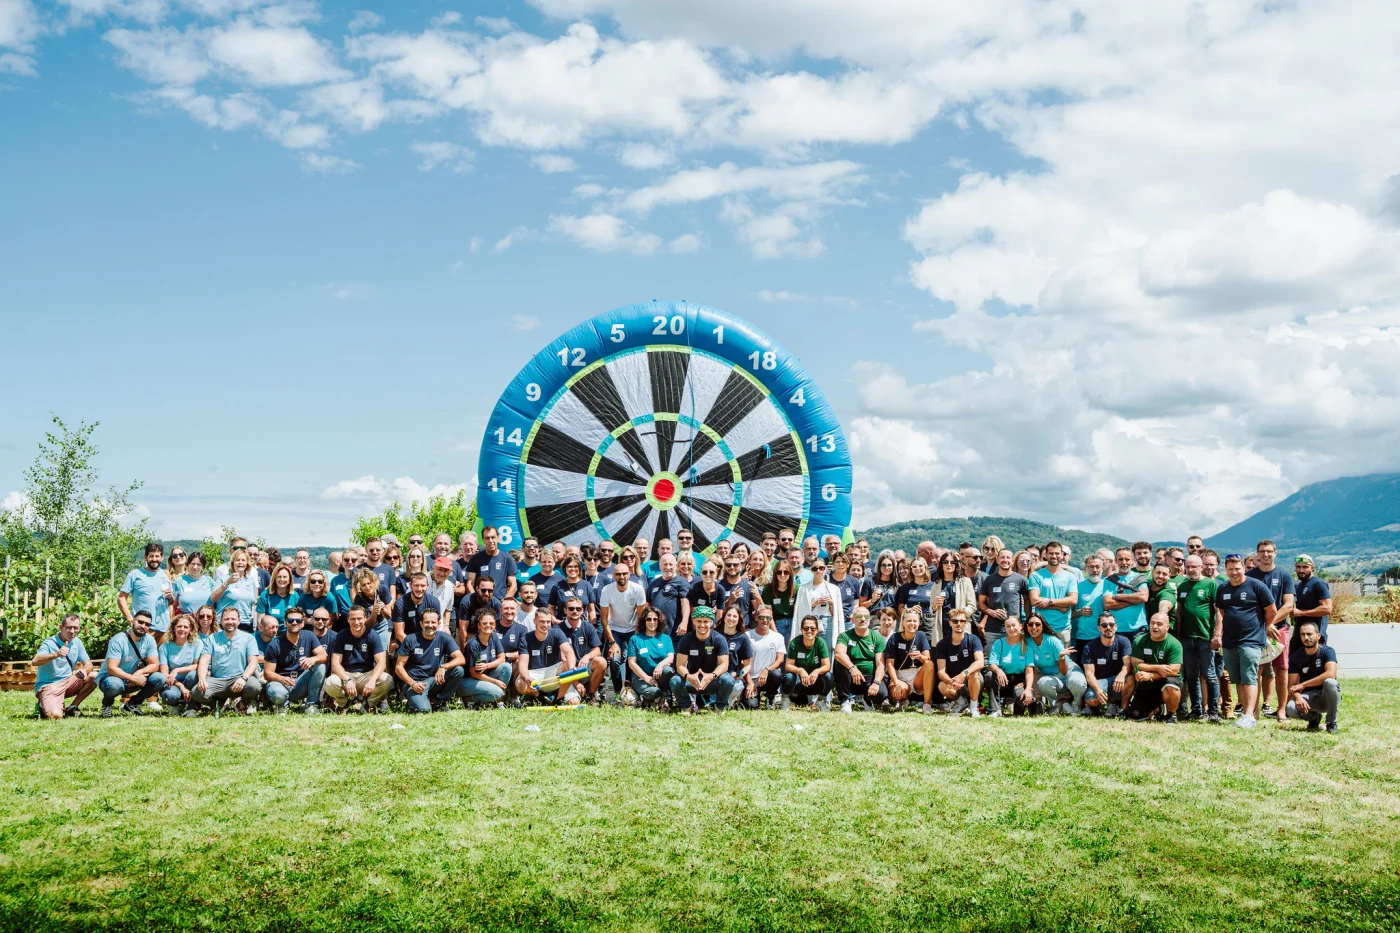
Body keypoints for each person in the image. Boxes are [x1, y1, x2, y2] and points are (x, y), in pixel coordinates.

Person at [1213, 554, 1279, 730]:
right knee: (1239, 679)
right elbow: (1221, 611)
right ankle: (1245, 713)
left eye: (1237, 569)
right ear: (1225, 571)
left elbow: (1271, 610)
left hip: (1251, 640)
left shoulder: (1256, 586)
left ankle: (1250, 715)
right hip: (1229, 642)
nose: (1234, 573)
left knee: (1250, 677)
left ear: (1243, 567)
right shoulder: (1223, 589)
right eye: (1230, 570)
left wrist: (1265, 626)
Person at [1248, 539, 1296, 721]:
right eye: (1262, 551)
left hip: (1279, 629)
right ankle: (1254, 711)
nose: (1265, 554)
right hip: (1256, 631)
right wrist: (1263, 626)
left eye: (1269, 551)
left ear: (1275, 553)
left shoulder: (1284, 575)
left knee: (1282, 670)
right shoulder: (1250, 576)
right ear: (1257, 554)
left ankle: (1281, 710)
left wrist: (1270, 624)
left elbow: (1288, 605)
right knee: (1256, 671)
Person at [1174, 555, 1221, 722]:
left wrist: (1217, 634)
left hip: (1205, 638)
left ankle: (1214, 711)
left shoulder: (1211, 584)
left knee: (1209, 675)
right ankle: (1196, 710)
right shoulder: (1183, 586)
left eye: (1195, 567)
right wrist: (1178, 636)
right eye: (1188, 567)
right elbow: (1179, 612)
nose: (1191, 570)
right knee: (1192, 676)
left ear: (1201, 567)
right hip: (1186, 638)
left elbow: (1218, 612)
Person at [190, 606, 263, 715]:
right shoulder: (212, 638)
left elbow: (253, 662)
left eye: (233, 619)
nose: (230, 622)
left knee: (254, 686)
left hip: (238, 678)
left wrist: (243, 678)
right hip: (217, 680)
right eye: (226, 619)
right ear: (221, 621)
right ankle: (218, 703)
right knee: (196, 692)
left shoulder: (248, 638)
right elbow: (204, 661)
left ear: (239, 621)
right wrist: (202, 679)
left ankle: (242, 703)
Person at [323, 606, 394, 714]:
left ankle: (369, 704)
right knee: (330, 682)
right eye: (352, 619)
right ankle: (343, 704)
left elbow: (381, 662)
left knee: (387, 679)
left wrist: (372, 680)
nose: (356, 622)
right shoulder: (342, 635)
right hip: (347, 675)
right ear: (347, 620)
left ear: (365, 618)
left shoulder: (372, 635)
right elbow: (335, 663)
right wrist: (346, 680)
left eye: (359, 618)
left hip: (366, 675)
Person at [394, 608, 465, 713]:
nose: (430, 625)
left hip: (434, 680)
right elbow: (398, 667)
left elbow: (461, 659)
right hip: (416, 683)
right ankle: (413, 702)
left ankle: (440, 702)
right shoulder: (410, 639)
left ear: (439, 623)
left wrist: (443, 667)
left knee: (458, 670)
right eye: (427, 622)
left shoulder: (444, 638)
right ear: (421, 623)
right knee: (424, 710)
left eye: (433, 622)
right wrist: (412, 683)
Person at [98, 610, 167, 717]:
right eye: (140, 622)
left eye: (147, 624)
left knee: (160, 678)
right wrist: (133, 678)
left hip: (134, 679)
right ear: (132, 621)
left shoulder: (149, 639)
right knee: (114, 685)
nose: (143, 626)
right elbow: (111, 668)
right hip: (111, 678)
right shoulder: (118, 640)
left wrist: (139, 672)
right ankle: (107, 705)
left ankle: (132, 704)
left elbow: (155, 665)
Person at [261, 607, 327, 714]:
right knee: (277, 693)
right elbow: (267, 673)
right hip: (282, 684)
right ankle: (282, 707)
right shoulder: (275, 644)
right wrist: (281, 679)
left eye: (298, 621)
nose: (294, 623)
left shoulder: (309, 636)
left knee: (321, 666)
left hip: (301, 682)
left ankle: (311, 705)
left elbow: (324, 655)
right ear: (285, 623)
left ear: (303, 623)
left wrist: (312, 659)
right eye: (291, 621)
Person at [672, 606, 735, 714]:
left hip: (713, 679)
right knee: (675, 681)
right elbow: (680, 666)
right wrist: (689, 676)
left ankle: (719, 707)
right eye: (699, 621)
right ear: (694, 622)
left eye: (706, 621)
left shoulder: (719, 639)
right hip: (692, 679)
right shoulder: (686, 640)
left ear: (711, 622)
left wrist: (712, 675)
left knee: (728, 680)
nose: (702, 625)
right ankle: (686, 707)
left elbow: (724, 664)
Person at [32, 612, 96, 719]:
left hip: (67, 682)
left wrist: (85, 671)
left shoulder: (77, 642)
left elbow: (89, 664)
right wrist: (56, 654)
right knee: (56, 716)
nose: (72, 631)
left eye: (75, 628)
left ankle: (72, 707)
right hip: (49, 686)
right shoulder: (49, 643)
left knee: (94, 676)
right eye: (69, 627)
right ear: (61, 627)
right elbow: (35, 661)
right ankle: (42, 705)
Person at [1122, 612, 1184, 723]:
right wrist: (1158, 668)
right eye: (1152, 623)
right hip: (1146, 683)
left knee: (1170, 685)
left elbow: (1173, 670)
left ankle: (1171, 715)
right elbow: (1136, 665)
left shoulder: (1175, 644)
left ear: (1167, 627)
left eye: (1159, 624)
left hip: (1167, 680)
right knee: (1136, 716)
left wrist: (1150, 675)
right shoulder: (1139, 641)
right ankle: (1152, 709)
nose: (1155, 627)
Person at [514, 606, 581, 706]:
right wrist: (526, 677)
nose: (545, 625)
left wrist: (571, 668)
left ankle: (559, 698)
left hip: (554, 671)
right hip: (534, 673)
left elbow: (569, 652)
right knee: (520, 684)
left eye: (548, 622)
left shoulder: (557, 633)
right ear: (534, 621)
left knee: (575, 702)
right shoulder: (526, 638)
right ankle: (538, 695)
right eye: (542, 621)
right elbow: (522, 663)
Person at [600, 560, 648, 694]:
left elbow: (640, 617)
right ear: (613, 575)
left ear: (630, 573)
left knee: (629, 659)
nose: (622, 577)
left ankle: (629, 690)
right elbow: (604, 620)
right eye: (618, 574)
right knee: (614, 660)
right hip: (614, 629)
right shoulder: (607, 590)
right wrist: (612, 643)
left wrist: (635, 638)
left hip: (633, 629)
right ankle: (617, 693)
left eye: (624, 574)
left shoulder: (638, 589)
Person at [1286, 620, 1340, 733]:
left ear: (1318, 635)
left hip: (1326, 696)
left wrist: (1303, 684)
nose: (1306, 637)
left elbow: (1331, 674)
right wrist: (1298, 697)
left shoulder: (1327, 651)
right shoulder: (1295, 657)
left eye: (1309, 634)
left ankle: (1331, 722)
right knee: (1290, 708)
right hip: (1308, 697)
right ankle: (1314, 717)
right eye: (1303, 634)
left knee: (1331, 683)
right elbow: (1292, 685)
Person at [1024, 613, 1083, 715]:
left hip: (1068, 672)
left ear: (1043, 626)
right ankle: (1056, 706)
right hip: (1052, 677)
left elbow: (1064, 672)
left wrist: (1061, 658)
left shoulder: (1053, 641)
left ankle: (1076, 705)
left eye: (1037, 624)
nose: (1034, 627)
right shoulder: (1026, 642)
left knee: (1077, 682)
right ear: (1026, 626)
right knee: (1043, 683)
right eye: (1030, 624)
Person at [118, 542, 175, 645]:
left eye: (157, 556)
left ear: (162, 557)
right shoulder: (135, 574)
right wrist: (130, 619)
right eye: (151, 556)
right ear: (145, 557)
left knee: (162, 659)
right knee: (142, 659)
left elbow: (171, 603)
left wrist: (171, 598)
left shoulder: (165, 574)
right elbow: (121, 598)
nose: (154, 559)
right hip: (144, 627)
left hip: (164, 628)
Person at [833, 607, 887, 713]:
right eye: (859, 616)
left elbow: (881, 665)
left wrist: (876, 683)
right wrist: (852, 668)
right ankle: (845, 701)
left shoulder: (877, 638)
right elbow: (838, 653)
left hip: (869, 678)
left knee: (882, 694)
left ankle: (868, 700)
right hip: (849, 678)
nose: (863, 619)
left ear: (870, 619)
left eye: (866, 616)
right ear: (852, 619)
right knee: (839, 661)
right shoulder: (845, 636)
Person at [977, 548, 1030, 650]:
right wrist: (991, 612)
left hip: (1013, 629)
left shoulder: (1021, 580)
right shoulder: (989, 580)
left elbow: (1027, 601)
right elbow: (981, 603)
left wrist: (1026, 622)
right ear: (997, 560)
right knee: (993, 660)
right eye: (1002, 557)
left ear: (1012, 561)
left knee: (1013, 660)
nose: (1005, 560)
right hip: (993, 630)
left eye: (1008, 557)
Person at [934, 608, 984, 716]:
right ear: (950, 623)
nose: (959, 624)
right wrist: (950, 681)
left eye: (962, 621)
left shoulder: (973, 639)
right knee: (942, 686)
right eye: (955, 621)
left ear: (966, 623)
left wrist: (963, 674)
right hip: (955, 683)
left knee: (974, 673)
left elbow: (980, 662)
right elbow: (941, 672)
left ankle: (973, 707)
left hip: (973, 681)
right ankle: (961, 702)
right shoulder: (942, 644)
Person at [1080, 613, 1132, 718]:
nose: (1108, 627)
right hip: (1099, 682)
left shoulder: (1124, 641)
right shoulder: (1089, 647)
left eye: (1111, 625)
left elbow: (1127, 664)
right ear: (1099, 628)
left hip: (1117, 681)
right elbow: (1089, 673)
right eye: (1104, 625)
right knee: (1091, 699)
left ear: (1116, 627)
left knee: (1130, 679)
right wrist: (1098, 691)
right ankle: (1099, 707)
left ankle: (1122, 710)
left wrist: (1121, 675)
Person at [461, 609, 514, 706]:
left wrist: (486, 666)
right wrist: (495, 682)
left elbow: (502, 658)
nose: (488, 625)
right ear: (479, 626)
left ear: (494, 625)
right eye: (484, 623)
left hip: (486, 676)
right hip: (469, 680)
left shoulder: (494, 637)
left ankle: (497, 702)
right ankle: (468, 699)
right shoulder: (473, 644)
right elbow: (473, 673)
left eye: (491, 623)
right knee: (497, 692)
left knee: (507, 667)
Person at [884, 608, 934, 712]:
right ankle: (902, 699)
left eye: (915, 621)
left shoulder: (921, 635)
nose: (912, 623)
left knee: (930, 664)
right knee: (899, 692)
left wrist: (920, 656)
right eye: (909, 621)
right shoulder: (895, 638)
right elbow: (889, 665)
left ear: (919, 623)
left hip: (917, 676)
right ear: (903, 622)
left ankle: (927, 704)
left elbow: (927, 659)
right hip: (900, 676)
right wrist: (896, 683)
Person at [982, 616, 1032, 717]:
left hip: (1019, 680)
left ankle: (1016, 708)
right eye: (1008, 626)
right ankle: (995, 710)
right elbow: (992, 664)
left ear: (1021, 626)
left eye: (1014, 625)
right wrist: (999, 670)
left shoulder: (1027, 645)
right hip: (1003, 679)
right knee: (989, 675)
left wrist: (1028, 687)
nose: (1011, 628)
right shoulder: (999, 643)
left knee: (1020, 697)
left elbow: (1029, 670)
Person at [626, 607, 676, 708]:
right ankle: (656, 698)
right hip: (641, 677)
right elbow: (631, 663)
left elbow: (670, 658)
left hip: (660, 675)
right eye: (648, 619)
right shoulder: (635, 639)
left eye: (655, 619)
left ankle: (665, 697)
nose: (652, 622)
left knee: (668, 670)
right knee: (653, 692)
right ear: (644, 621)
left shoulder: (666, 638)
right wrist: (646, 678)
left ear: (659, 621)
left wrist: (660, 665)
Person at [1028, 542, 1078, 644]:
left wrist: (1049, 601)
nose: (1054, 556)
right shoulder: (1036, 576)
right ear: (1046, 555)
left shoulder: (1070, 576)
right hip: (1041, 628)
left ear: (1062, 555)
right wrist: (1060, 606)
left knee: (1063, 659)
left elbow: (1073, 600)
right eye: (1051, 553)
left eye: (1057, 553)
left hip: (1063, 628)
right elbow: (1034, 600)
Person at [558, 600, 608, 703]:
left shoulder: (588, 626)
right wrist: (576, 683)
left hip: (582, 669)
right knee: (574, 703)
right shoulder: (558, 629)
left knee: (601, 662)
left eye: (578, 609)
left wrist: (587, 656)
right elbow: (563, 659)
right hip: (566, 672)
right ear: (565, 610)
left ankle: (591, 695)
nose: (575, 611)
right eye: (571, 609)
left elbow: (597, 650)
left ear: (582, 611)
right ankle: (565, 695)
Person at [793, 557, 845, 652]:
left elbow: (837, 614)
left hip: (827, 620)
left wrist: (831, 603)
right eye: (815, 568)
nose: (818, 571)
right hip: (811, 622)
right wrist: (814, 603)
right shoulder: (803, 589)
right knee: (810, 649)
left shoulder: (833, 589)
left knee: (827, 650)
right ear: (811, 570)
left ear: (825, 568)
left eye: (821, 568)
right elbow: (800, 610)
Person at [782, 614, 832, 711]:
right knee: (788, 677)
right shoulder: (794, 643)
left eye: (813, 629)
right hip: (799, 681)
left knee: (829, 676)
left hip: (815, 681)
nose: (809, 631)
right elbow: (788, 666)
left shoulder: (821, 643)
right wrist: (800, 670)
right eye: (806, 628)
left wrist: (817, 671)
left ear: (817, 630)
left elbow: (827, 666)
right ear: (801, 629)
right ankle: (785, 701)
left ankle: (820, 701)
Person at [157, 615, 203, 715]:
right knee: (169, 695)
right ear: (174, 628)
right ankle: (175, 703)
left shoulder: (197, 644)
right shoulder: (165, 647)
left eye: (185, 627)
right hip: (172, 681)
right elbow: (164, 673)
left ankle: (191, 704)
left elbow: (197, 666)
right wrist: (181, 686)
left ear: (191, 629)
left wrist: (176, 670)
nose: (182, 629)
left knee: (194, 674)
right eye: (179, 626)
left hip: (190, 680)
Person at [744, 606, 786, 709]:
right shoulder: (746, 636)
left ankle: (770, 697)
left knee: (776, 674)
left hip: (769, 677)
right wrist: (749, 682)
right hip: (752, 678)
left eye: (768, 618)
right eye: (762, 617)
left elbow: (780, 660)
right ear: (756, 618)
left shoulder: (778, 637)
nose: (765, 620)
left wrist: (766, 670)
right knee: (751, 706)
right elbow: (742, 662)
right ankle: (747, 695)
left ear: (772, 619)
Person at [211, 546, 259, 632]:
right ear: (233, 563)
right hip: (225, 624)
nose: (240, 562)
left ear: (247, 564)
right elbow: (213, 598)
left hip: (245, 623)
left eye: (243, 560)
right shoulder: (223, 579)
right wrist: (226, 583)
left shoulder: (251, 581)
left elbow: (253, 602)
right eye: (237, 560)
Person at [1104, 548, 1149, 638]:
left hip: (1138, 630)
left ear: (1133, 561)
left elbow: (1143, 597)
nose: (1124, 562)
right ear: (1115, 561)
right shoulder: (1109, 580)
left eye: (1127, 559)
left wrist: (1118, 596)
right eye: (1120, 559)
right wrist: (1134, 599)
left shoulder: (1140, 578)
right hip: (1116, 630)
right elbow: (1108, 604)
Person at [1290, 555, 1332, 650]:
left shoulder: (1318, 584)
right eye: (1298, 567)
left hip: (1314, 637)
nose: (1301, 570)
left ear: (1312, 568)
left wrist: (1301, 613)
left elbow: (1327, 609)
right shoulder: (1299, 586)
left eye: (1305, 567)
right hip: (1300, 635)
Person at [716, 605, 754, 708]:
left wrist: (739, 674)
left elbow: (747, 665)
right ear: (724, 617)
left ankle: (730, 701)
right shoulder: (714, 634)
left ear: (739, 619)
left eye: (734, 616)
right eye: (729, 615)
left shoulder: (742, 638)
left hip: (732, 677)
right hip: (713, 676)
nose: (731, 619)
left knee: (736, 687)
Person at [1073, 554, 1111, 654]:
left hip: (1105, 635)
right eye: (1091, 567)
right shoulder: (1077, 587)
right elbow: (1069, 614)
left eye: (1098, 567)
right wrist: (1080, 612)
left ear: (1103, 568)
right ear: (1085, 568)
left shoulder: (1108, 586)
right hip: (1084, 636)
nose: (1095, 570)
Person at [895, 557, 940, 644]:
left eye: (920, 566)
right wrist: (909, 610)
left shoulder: (934, 586)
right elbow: (899, 608)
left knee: (929, 647)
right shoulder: (905, 588)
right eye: (914, 567)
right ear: (911, 569)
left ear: (925, 567)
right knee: (912, 646)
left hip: (929, 622)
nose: (917, 568)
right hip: (911, 621)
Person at [467, 526, 518, 599]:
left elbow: (513, 585)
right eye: (487, 538)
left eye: (493, 537)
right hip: (481, 602)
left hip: (500, 601)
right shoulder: (475, 558)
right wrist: (475, 600)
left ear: (498, 538)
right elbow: (470, 584)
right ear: (483, 540)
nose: (490, 541)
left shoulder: (507, 558)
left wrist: (505, 601)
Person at [392, 572, 443, 644]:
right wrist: (414, 648)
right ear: (410, 585)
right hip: (406, 640)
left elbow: (435, 627)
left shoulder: (434, 602)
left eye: (423, 586)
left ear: (427, 586)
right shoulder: (400, 603)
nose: (419, 589)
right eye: (416, 585)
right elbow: (399, 633)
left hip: (428, 640)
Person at [350, 566, 393, 648]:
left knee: (383, 651)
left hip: (382, 623)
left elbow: (388, 616)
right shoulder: (359, 599)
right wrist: (374, 612)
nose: (367, 587)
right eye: (363, 585)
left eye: (369, 583)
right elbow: (368, 625)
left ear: (374, 582)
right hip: (366, 626)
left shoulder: (382, 589)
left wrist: (383, 608)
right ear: (359, 587)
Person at [644, 554, 688, 634]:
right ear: (660, 566)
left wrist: (684, 622)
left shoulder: (682, 582)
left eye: (670, 564)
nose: (668, 567)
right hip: (656, 630)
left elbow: (684, 602)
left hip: (675, 630)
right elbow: (648, 604)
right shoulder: (653, 584)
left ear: (676, 566)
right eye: (665, 564)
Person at [681, 559, 726, 636]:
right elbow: (693, 614)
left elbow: (719, 614)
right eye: (705, 572)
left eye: (711, 572)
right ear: (701, 574)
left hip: (713, 621)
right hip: (698, 622)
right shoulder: (694, 589)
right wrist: (696, 633)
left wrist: (718, 632)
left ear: (716, 573)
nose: (708, 574)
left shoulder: (720, 589)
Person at [762, 558, 800, 642]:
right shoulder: (768, 589)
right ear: (775, 573)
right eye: (779, 572)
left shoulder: (796, 589)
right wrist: (775, 633)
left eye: (786, 572)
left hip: (792, 623)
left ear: (790, 574)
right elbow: (768, 614)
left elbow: (798, 613)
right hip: (776, 623)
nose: (782, 575)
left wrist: (794, 633)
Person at [255, 564, 297, 635]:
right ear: (274, 579)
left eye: (285, 577)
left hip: (289, 635)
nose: (282, 579)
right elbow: (260, 622)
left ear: (290, 579)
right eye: (279, 577)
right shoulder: (265, 595)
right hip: (269, 635)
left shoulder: (294, 596)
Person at [173, 551, 214, 616]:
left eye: (199, 565)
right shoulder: (179, 581)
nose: (195, 567)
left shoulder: (210, 581)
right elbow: (173, 605)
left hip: (205, 621)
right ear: (188, 564)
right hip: (186, 622)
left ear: (203, 567)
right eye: (193, 563)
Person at [361, 538, 399, 606]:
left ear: (382, 550)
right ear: (366, 550)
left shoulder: (389, 569)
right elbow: (354, 595)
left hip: (385, 612)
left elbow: (393, 594)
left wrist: (386, 608)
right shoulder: (357, 570)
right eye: (371, 550)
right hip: (365, 613)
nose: (375, 552)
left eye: (378, 550)